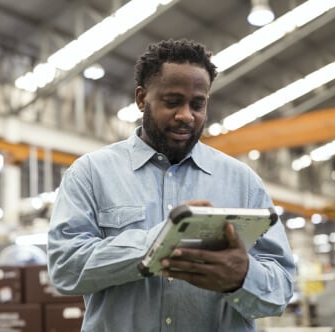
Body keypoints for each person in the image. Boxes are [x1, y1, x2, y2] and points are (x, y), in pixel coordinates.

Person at [47, 39, 295, 331]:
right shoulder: (90, 173)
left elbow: (281, 291)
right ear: (142, 99)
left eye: (197, 104)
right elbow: (65, 269)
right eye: (172, 101)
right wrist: (159, 243)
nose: (186, 116)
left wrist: (242, 276)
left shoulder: (243, 182)